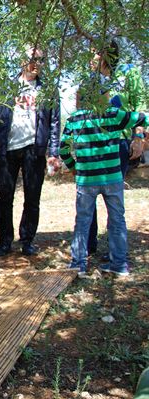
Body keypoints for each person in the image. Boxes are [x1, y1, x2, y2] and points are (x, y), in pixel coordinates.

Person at [60, 90, 148, 278]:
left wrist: (74, 168)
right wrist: (141, 136)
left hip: (86, 180)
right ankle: (119, 264)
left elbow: (63, 149)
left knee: (83, 222)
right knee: (117, 220)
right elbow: (143, 118)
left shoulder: (75, 119)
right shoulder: (114, 114)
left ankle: (78, 265)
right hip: (112, 178)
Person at [0, 47, 61, 257]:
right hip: (7, 150)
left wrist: (53, 152)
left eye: (40, 59)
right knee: (6, 197)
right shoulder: (7, 88)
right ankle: (4, 241)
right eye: (32, 59)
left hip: (34, 149)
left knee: (32, 197)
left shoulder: (48, 89)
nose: (36, 63)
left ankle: (27, 240)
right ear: (22, 61)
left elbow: (54, 122)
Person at [86, 40, 145, 255]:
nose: (89, 58)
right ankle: (88, 245)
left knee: (114, 199)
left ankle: (116, 252)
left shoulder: (129, 73)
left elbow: (140, 104)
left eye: (93, 53)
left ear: (104, 54)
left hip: (118, 142)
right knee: (87, 196)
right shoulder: (89, 80)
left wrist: (138, 137)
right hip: (92, 144)